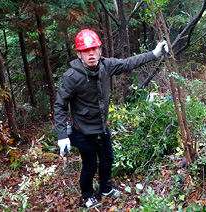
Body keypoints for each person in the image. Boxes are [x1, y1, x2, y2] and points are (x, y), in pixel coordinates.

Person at [53, 29, 168, 208]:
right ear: (79, 54)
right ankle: (87, 195)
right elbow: (60, 106)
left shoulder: (105, 66)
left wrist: (154, 54)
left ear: (100, 50)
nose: (90, 54)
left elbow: (128, 63)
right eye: (85, 50)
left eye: (94, 49)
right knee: (90, 165)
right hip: (83, 131)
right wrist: (62, 135)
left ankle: (106, 188)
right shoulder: (72, 77)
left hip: (101, 127)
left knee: (108, 158)